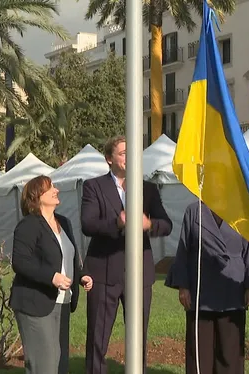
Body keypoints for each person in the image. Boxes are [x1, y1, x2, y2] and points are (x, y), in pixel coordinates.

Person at [81, 135, 173, 374]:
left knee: (138, 335)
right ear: (109, 159)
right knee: (98, 337)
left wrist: (149, 225)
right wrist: (117, 223)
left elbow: (167, 224)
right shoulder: (94, 186)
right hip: (104, 270)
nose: (129, 158)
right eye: (123, 153)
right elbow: (88, 224)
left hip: (139, 273)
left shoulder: (148, 189)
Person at [165, 201, 249, 374]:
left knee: (230, 352)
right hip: (201, 288)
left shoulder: (240, 210)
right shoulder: (194, 211)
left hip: (232, 286)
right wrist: (183, 286)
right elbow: (184, 249)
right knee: (199, 353)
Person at [9, 175, 94, 374]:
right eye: (50, 188)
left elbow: (68, 256)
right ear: (37, 196)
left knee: (60, 363)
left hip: (62, 302)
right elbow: (20, 262)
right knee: (44, 365)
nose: (56, 190)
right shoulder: (29, 225)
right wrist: (51, 277)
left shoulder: (63, 222)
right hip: (35, 302)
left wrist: (82, 275)